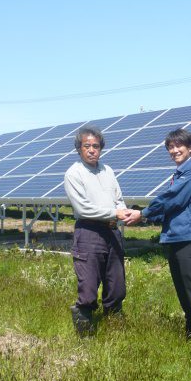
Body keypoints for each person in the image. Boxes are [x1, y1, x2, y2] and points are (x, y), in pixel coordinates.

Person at [124, 128, 191, 339]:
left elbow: (173, 199)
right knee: (184, 295)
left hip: (190, 241)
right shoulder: (180, 174)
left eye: (178, 146)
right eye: (170, 147)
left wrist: (144, 213)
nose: (174, 150)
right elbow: (173, 209)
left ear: (190, 148)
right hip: (177, 239)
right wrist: (145, 217)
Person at [64, 126, 127, 335]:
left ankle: (114, 324)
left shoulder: (108, 171)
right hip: (89, 232)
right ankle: (85, 328)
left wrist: (124, 213)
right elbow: (82, 208)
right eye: (87, 146)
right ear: (79, 149)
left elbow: (118, 199)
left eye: (96, 146)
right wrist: (114, 213)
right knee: (89, 284)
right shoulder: (74, 173)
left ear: (101, 148)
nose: (92, 150)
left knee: (116, 283)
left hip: (112, 231)